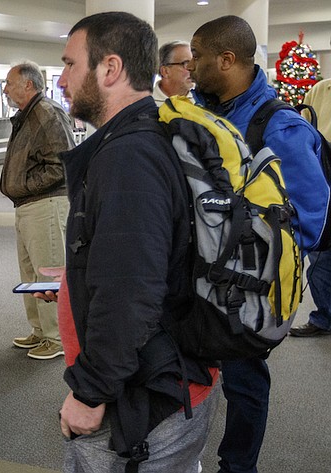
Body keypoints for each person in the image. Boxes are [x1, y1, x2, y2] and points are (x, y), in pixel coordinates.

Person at [55, 12, 219, 471]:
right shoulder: (145, 136)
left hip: (147, 397)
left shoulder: (129, 156)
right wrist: (77, 280)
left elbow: (131, 291)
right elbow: (143, 256)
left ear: (109, 69)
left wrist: (89, 392)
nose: (63, 78)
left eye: (70, 64)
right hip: (170, 379)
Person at [188, 15, 329, 473]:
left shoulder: (278, 126)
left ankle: (238, 465)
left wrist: (264, 277)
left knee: (245, 381)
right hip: (202, 275)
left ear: (227, 60)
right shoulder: (208, 114)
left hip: (247, 287)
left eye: (198, 57)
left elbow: (310, 216)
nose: (190, 66)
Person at [0, 61, 73, 360]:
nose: (5, 88)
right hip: (29, 205)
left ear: (28, 85)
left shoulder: (46, 113)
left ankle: (56, 338)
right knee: (31, 272)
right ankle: (40, 331)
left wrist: (26, 185)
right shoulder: (27, 115)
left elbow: (62, 163)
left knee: (47, 271)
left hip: (46, 204)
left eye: (9, 82)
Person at [290, 77, 331, 337]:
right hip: (325, 175)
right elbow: (302, 129)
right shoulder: (320, 89)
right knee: (320, 254)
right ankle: (324, 317)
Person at [152, 40, 194, 106]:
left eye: (194, 63)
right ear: (165, 71)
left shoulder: (204, 101)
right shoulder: (145, 105)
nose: (193, 68)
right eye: (186, 63)